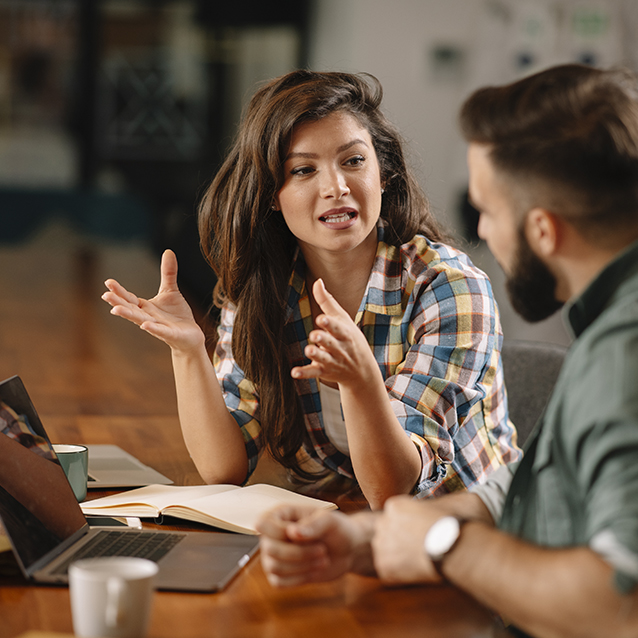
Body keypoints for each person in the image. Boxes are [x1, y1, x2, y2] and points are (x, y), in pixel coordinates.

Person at [256, 63, 638, 637]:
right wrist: (372, 539)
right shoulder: (609, 332)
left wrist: (442, 543)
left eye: (485, 209)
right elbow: (534, 489)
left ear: (542, 231)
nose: (480, 233)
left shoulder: (623, 359)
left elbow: (620, 607)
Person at [102, 70, 520, 509]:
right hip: (351, 523)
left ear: (384, 173)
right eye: (303, 170)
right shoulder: (266, 290)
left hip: (471, 534)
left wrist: (361, 382)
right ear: (271, 195)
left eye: (354, 161)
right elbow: (223, 468)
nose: (335, 187)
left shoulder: (449, 287)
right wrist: (188, 351)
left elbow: (393, 488)